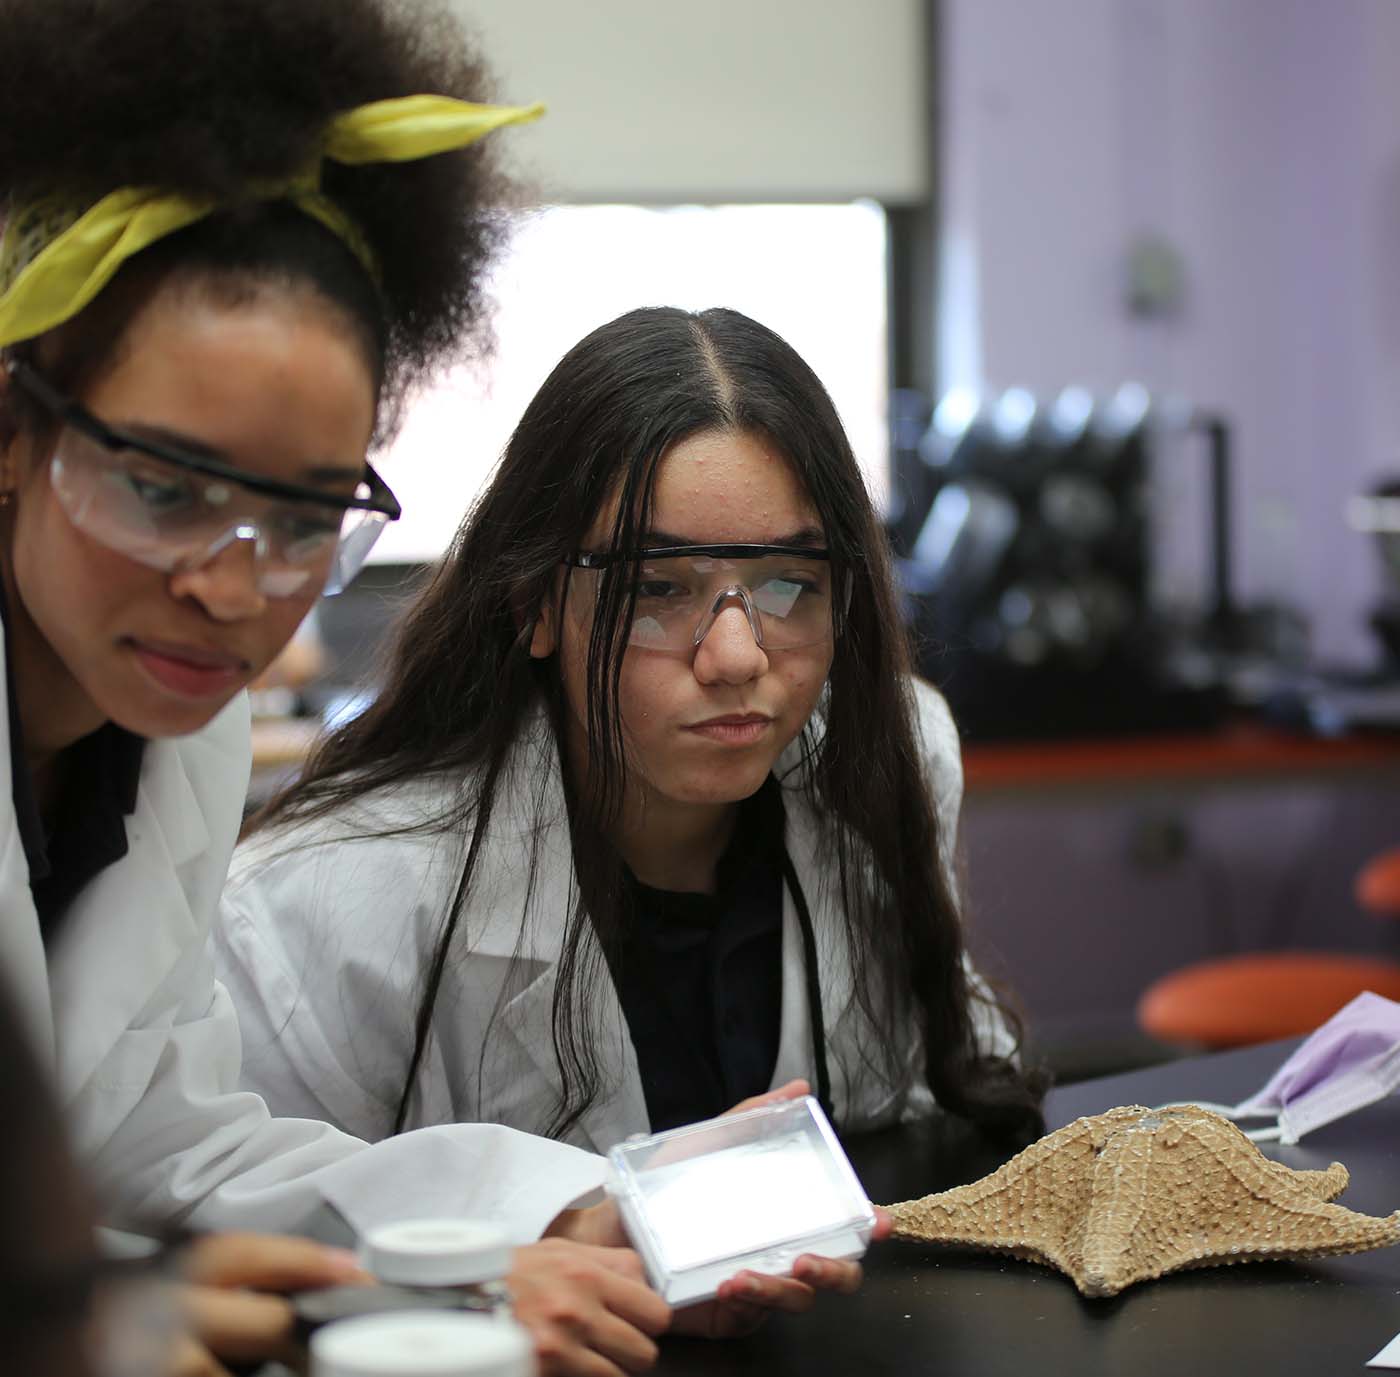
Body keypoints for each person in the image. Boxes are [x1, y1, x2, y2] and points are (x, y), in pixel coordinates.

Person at [0, 2, 676, 1373]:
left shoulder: (173, 722)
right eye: (163, 489)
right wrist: (74, 1320)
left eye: (306, 514)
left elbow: (161, 1139)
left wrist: (534, 1219)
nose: (236, 584)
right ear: (12, 434)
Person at [218, 306, 1046, 1305]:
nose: (738, 656)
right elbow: (230, 1239)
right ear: (530, 602)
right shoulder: (332, 894)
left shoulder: (887, 760)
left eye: (788, 584)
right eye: (658, 586)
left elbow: (938, 1088)